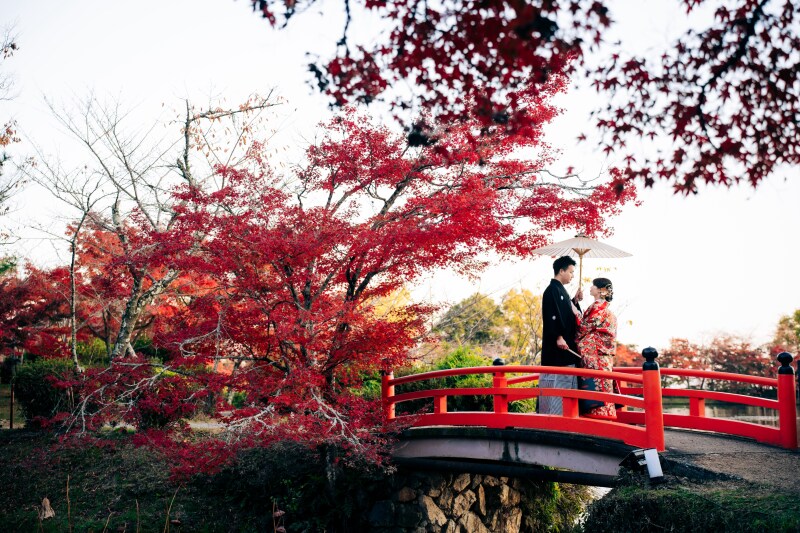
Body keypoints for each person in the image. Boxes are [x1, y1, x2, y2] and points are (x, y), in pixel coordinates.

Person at [539, 255, 583, 415]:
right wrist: (558, 337)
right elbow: (552, 315)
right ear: (561, 270)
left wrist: (575, 301)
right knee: (555, 381)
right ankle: (551, 416)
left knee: (565, 382)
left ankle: (566, 416)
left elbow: (566, 313)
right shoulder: (552, 290)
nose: (572, 275)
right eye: (570, 272)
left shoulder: (561, 291)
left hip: (566, 346)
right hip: (557, 348)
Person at [576, 278, 618, 417]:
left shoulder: (598, 307)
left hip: (595, 353)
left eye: (593, 285)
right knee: (604, 383)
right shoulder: (603, 308)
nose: (591, 288)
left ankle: (598, 416)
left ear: (601, 290)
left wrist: (573, 308)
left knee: (596, 383)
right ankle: (607, 414)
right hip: (603, 353)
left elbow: (584, 327)